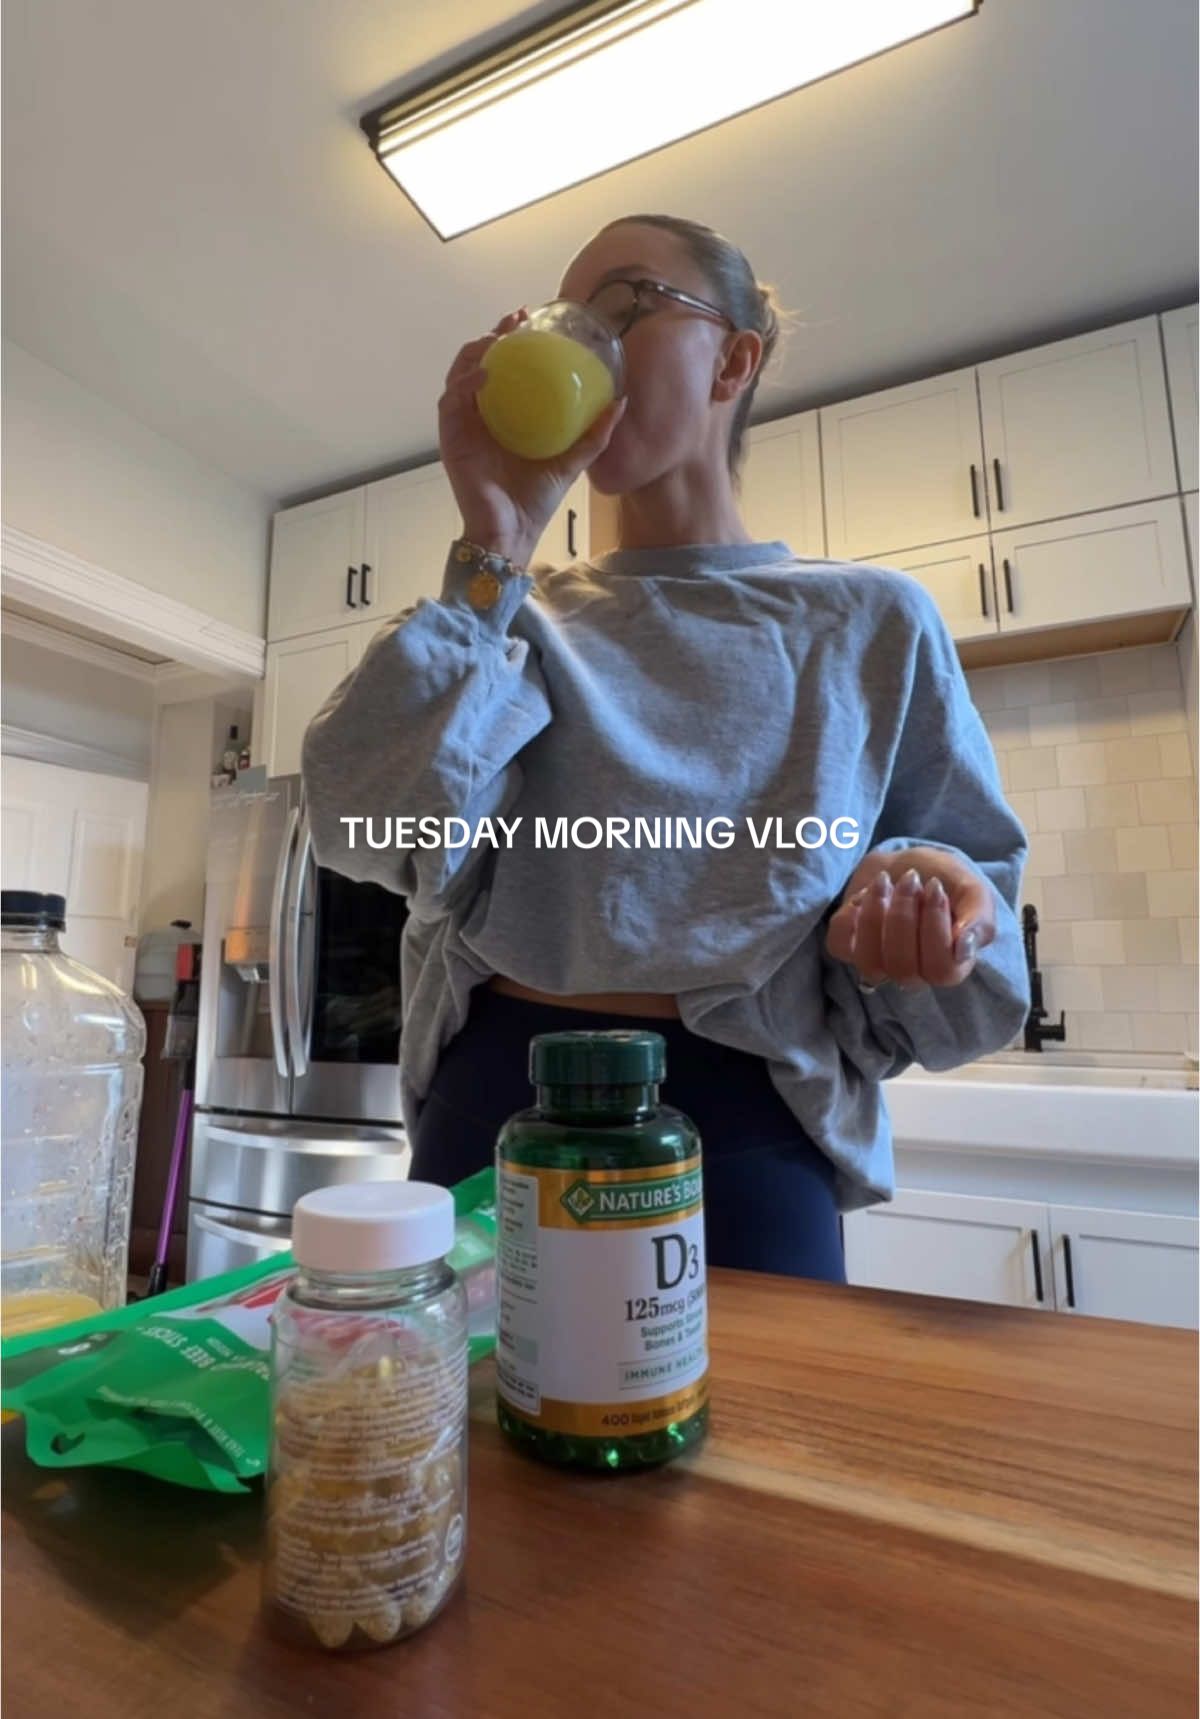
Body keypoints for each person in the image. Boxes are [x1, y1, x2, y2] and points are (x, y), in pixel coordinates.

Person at [302, 212, 1031, 1280]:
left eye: (625, 304)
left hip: (750, 1129)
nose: (585, 341)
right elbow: (359, 827)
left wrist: (930, 901)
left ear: (734, 358)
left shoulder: (871, 620)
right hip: (492, 1106)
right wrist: (495, 542)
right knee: (455, 1396)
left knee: (769, 1401)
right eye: (565, 318)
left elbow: (978, 951)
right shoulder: (510, 616)